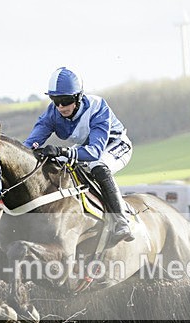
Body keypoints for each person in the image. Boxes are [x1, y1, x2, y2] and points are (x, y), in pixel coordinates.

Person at [24, 67, 134, 245]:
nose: (60, 107)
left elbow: (94, 152)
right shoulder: (52, 113)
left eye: (66, 100)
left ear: (78, 97)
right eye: (55, 100)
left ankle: (121, 220)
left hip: (115, 144)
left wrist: (62, 151)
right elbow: (29, 144)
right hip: (85, 147)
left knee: (98, 167)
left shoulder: (97, 107)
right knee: (55, 164)